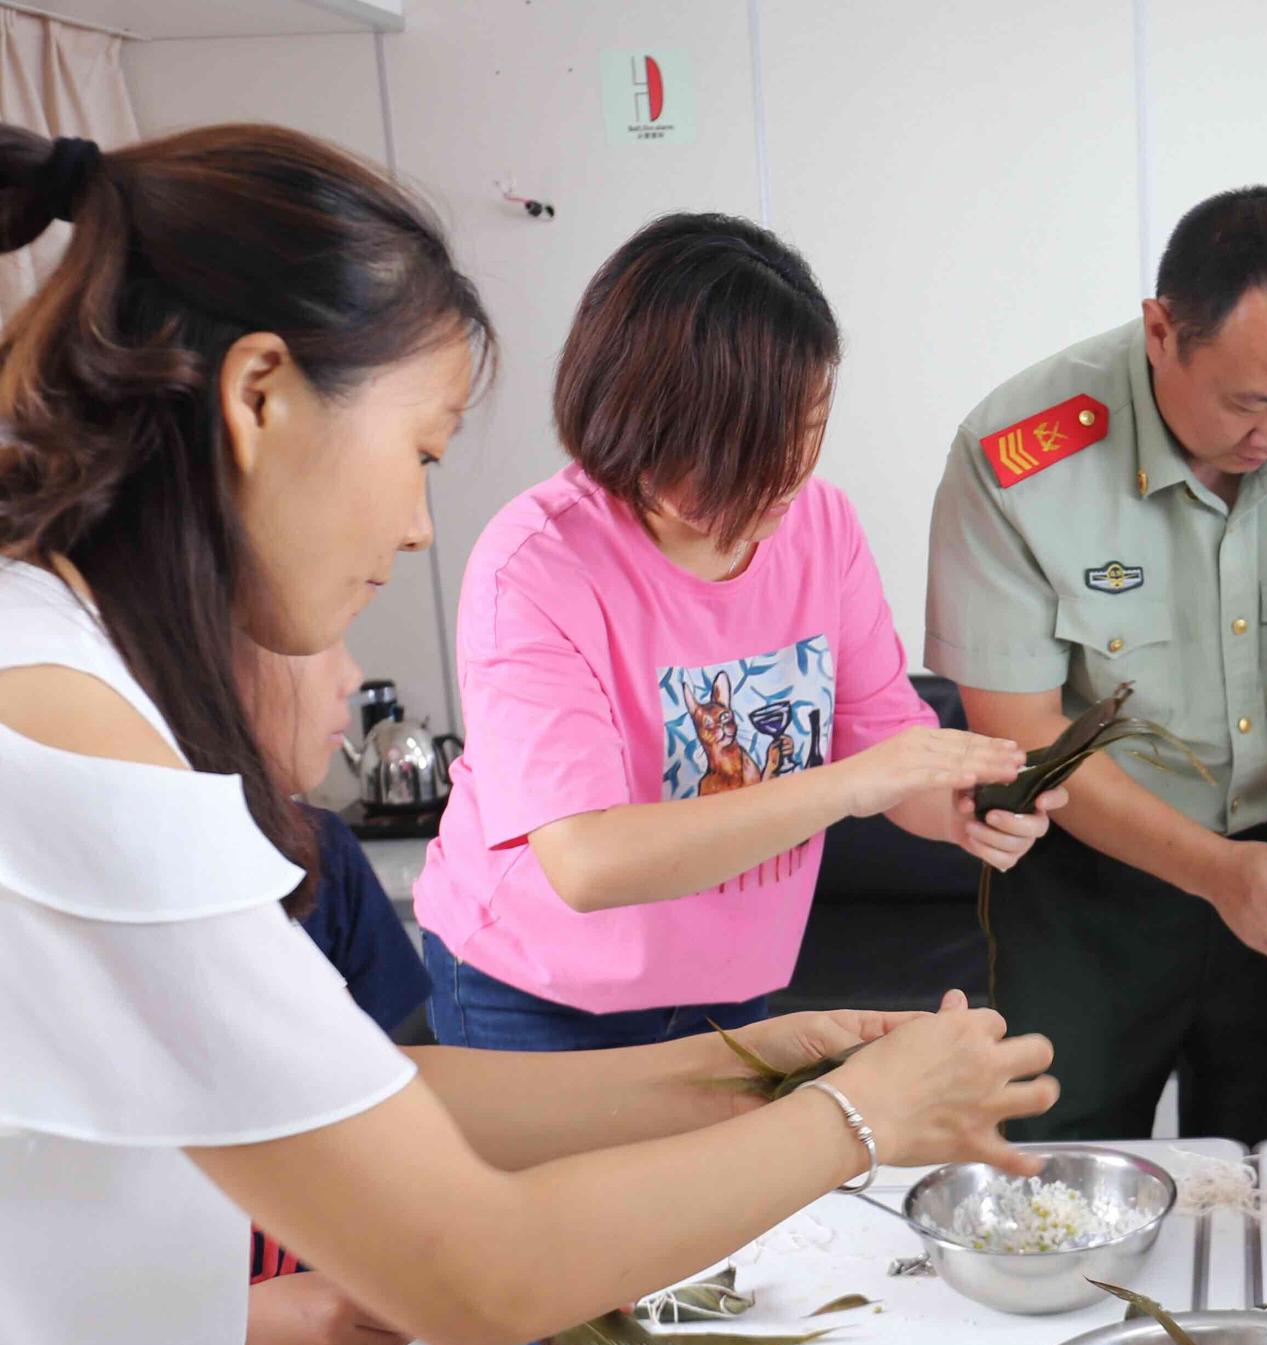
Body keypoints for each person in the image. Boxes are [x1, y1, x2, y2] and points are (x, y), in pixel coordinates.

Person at [0, 124, 1054, 1345]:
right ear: (257, 397)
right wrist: (858, 1117)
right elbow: (474, 1269)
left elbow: (388, 1090)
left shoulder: (54, 673)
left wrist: (763, 1062)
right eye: (423, 449)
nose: (422, 519)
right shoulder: (66, 738)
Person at [416, 214, 1054, 1049]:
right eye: (744, 445)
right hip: (536, 991)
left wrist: (963, 809)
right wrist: (850, 785)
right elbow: (587, 861)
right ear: (636, 422)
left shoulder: (820, 526)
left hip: (731, 983)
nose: (785, 474)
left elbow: (885, 736)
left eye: (806, 429)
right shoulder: (536, 565)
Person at [926, 186, 1267, 1142]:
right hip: (1083, 882)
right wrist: (1214, 872)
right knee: (1057, 1167)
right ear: (1161, 331)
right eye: (1247, 402)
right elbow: (1021, 733)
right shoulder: (1018, 460)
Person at [187, 638, 420, 1345]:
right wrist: (229, 1326)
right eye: (302, 640)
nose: (348, 677)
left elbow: (406, 1136)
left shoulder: (320, 865)